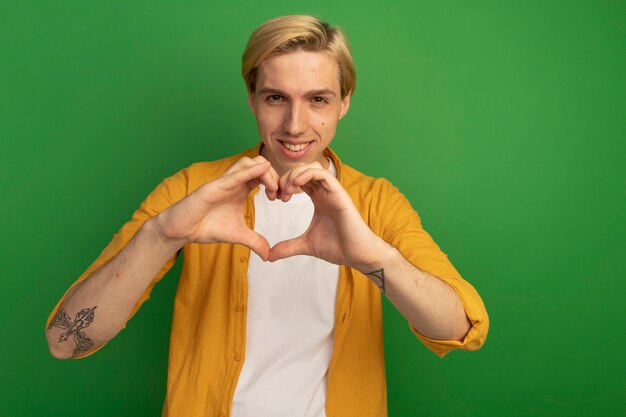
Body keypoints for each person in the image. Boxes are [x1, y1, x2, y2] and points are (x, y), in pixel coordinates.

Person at [46, 15, 488, 417]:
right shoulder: (191, 188)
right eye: (276, 97)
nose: (295, 125)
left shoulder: (376, 202)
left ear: (344, 102)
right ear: (253, 98)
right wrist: (162, 235)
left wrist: (375, 258)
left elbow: (460, 327)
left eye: (318, 99)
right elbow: (65, 341)